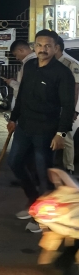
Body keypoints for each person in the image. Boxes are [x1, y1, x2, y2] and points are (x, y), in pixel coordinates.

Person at [8, 29, 75, 232]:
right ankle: (34, 202)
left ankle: (43, 219)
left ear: (56, 48)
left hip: (46, 130)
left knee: (43, 172)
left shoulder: (63, 73)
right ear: (34, 47)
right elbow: (22, 97)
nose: (43, 49)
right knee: (15, 162)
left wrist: (61, 134)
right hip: (25, 127)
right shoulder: (29, 66)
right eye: (39, 45)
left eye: (48, 46)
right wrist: (13, 118)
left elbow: (68, 106)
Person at [54, 36, 79, 174]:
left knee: (66, 136)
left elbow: (75, 89)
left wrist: (72, 111)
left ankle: (69, 168)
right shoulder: (49, 64)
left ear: (56, 47)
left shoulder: (70, 65)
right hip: (49, 108)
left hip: (64, 109)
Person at [2, 40, 36, 109]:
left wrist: (11, 83)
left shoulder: (31, 63)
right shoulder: (29, 61)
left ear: (21, 50)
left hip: (26, 102)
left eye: (15, 55)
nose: (16, 58)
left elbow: (27, 87)